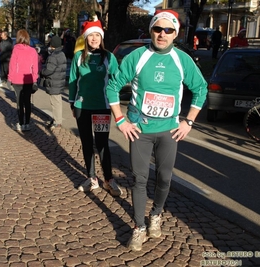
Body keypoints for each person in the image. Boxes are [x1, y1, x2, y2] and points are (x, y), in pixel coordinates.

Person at [106, 10, 208, 251]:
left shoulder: (182, 60)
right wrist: (120, 120)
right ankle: (139, 227)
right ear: (151, 30)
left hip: (169, 131)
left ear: (176, 34)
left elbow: (201, 89)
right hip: (139, 129)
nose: (162, 34)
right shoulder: (137, 57)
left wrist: (189, 121)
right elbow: (112, 87)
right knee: (139, 179)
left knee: (164, 178)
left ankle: (156, 215)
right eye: (157, 29)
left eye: (168, 30)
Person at [68, 20, 122, 197]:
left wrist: (115, 100)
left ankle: (108, 179)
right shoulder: (78, 57)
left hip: (102, 107)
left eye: (97, 35)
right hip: (82, 106)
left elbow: (117, 79)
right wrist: (71, 102)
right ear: (86, 37)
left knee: (102, 143)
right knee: (86, 142)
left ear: (101, 37)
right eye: (91, 35)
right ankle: (91, 178)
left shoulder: (108, 57)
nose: (94, 38)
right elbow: (73, 81)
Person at [8, 29, 39, 132]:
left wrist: (10, 78)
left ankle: (21, 123)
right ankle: (27, 123)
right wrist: (35, 79)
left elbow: (12, 65)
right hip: (29, 79)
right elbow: (35, 67)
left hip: (17, 79)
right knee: (27, 102)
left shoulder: (16, 49)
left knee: (19, 102)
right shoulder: (33, 51)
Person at [41, 35, 67, 130]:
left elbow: (49, 70)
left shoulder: (53, 56)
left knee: (55, 102)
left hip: (53, 82)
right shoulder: (62, 54)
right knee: (58, 101)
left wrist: (41, 72)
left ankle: (57, 121)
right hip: (59, 81)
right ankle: (57, 119)